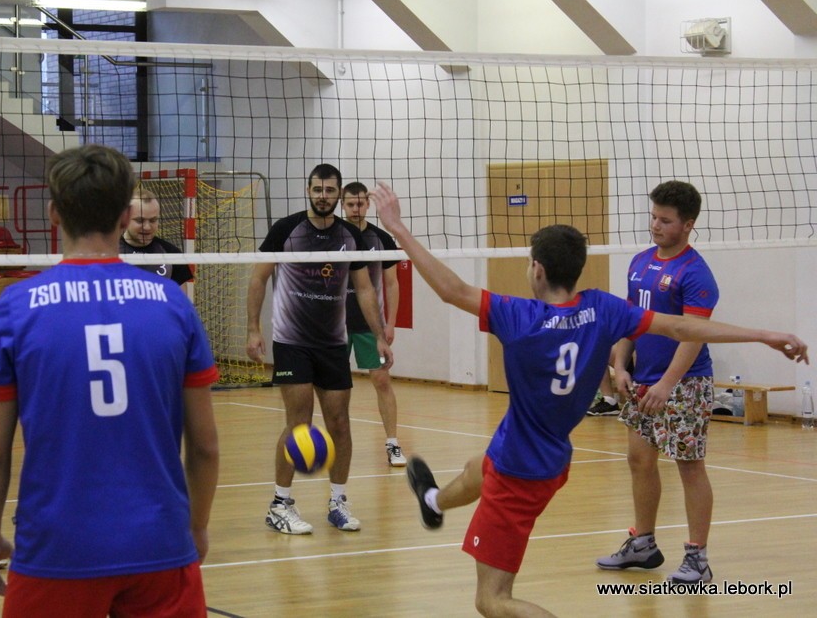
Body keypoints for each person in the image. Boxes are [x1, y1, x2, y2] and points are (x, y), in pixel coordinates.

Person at [368, 182, 807, 618]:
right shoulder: (603, 310)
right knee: (476, 467)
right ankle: (433, 502)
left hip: (518, 472)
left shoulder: (520, 317)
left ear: (537, 270)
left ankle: (439, 506)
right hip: (548, 458)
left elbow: (452, 290)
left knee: (492, 600)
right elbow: (680, 327)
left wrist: (398, 229)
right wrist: (764, 335)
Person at [0, 144, 220, 617]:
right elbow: (205, 446)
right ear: (125, 216)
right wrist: (197, 527)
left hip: (56, 548)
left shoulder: (16, 307)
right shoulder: (172, 302)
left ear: (54, 214)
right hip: (159, 543)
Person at [246, 163, 393, 535]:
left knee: (339, 423)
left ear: (338, 194)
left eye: (329, 191)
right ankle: (280, 504)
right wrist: (253, 329)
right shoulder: (286, 229)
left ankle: (338, 502)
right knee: (299, 423)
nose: (323, 196)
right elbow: (259, 279)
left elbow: (365, 289)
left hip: (332, 343)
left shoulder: (350, 236)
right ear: (308, 190)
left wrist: (379, 335)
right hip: (292, 341)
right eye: (317, 190)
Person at [596, 180, 722, 584]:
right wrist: (620, 365)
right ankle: (643, 544)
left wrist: (667, 384)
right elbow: (632, 322)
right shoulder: (639, 263)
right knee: (639, 460)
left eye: (665, 220)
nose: (655, 225)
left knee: (689, 466)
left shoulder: (695, 273)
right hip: (643, 381)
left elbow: (693, 335)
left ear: (688, 224)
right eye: (653, 217)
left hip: (684, 383)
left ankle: (697, 558)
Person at [341, 181, 407, 466]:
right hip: (335, 327)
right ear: (343, 205)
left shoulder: (381, 239)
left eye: (360, 204)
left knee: (381, 381)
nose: (356, 209)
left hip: (371, 326)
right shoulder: (332, 236)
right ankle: (338, 443)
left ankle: (393, 443)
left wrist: (390, 324)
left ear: (368, 204)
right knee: (336, 388)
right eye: (350, 204)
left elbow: (392, 284)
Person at [119, 183, 194, 290]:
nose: (147, 227)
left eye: (153, 220)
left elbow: (180, 299)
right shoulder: (107, 252)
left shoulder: (172, 254)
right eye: (140, 220)